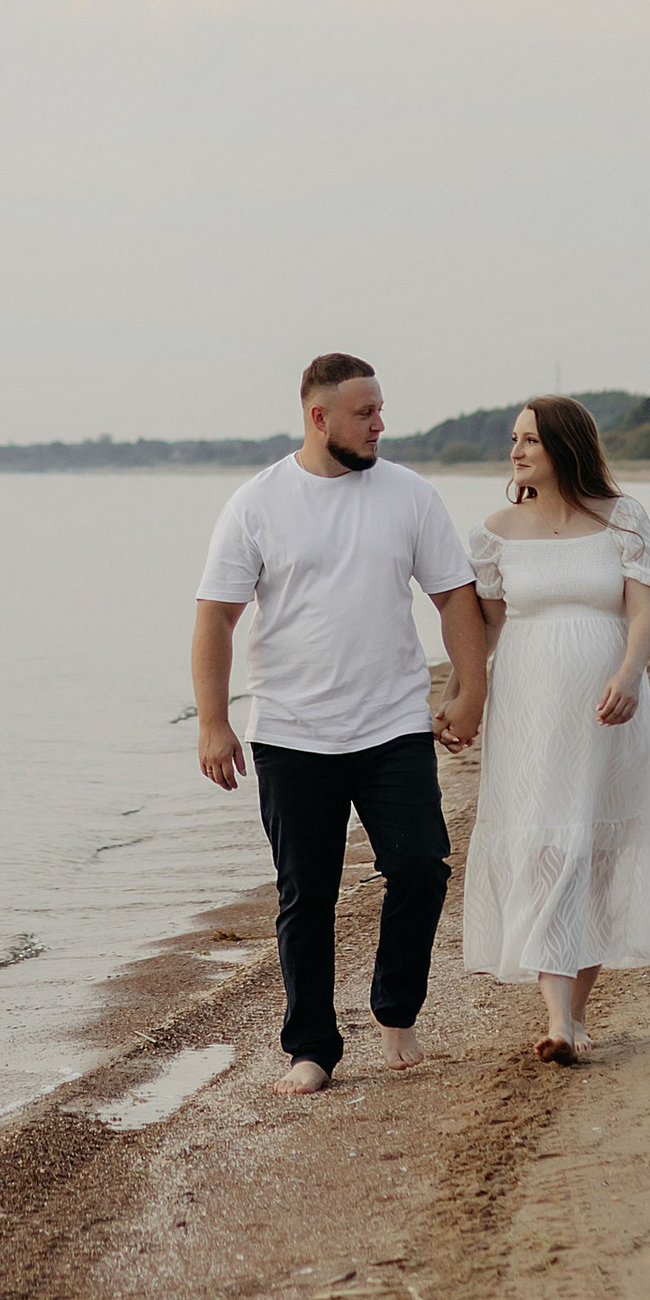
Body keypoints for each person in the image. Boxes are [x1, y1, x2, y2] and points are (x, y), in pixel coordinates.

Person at [193, 355, 487, 1095]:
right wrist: (212, 722)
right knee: (307, 894)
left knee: (421, 866)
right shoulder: (256, 503)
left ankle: (396, 1011)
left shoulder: (409, 495)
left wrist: (469, 687)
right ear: (319, 418)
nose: (380, 424)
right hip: (292, 732)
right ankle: (312, 1050)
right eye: (365, 413)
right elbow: (216, 617)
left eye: (381, 409)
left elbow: (455, 596)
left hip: (392, 723)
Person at [464, 396, 650, 1061]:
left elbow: (644, 611)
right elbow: (484, 628)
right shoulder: (495, 530)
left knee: (595, 850)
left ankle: (575, 1013)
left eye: (530, 439)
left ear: (565, 445)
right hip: (530, 710)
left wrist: (630, 672)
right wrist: (462, 696)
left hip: (608, 704)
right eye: (513, 439)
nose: (516, 450)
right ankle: (558, 1019)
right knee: (543, 846)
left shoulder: (623, 519)